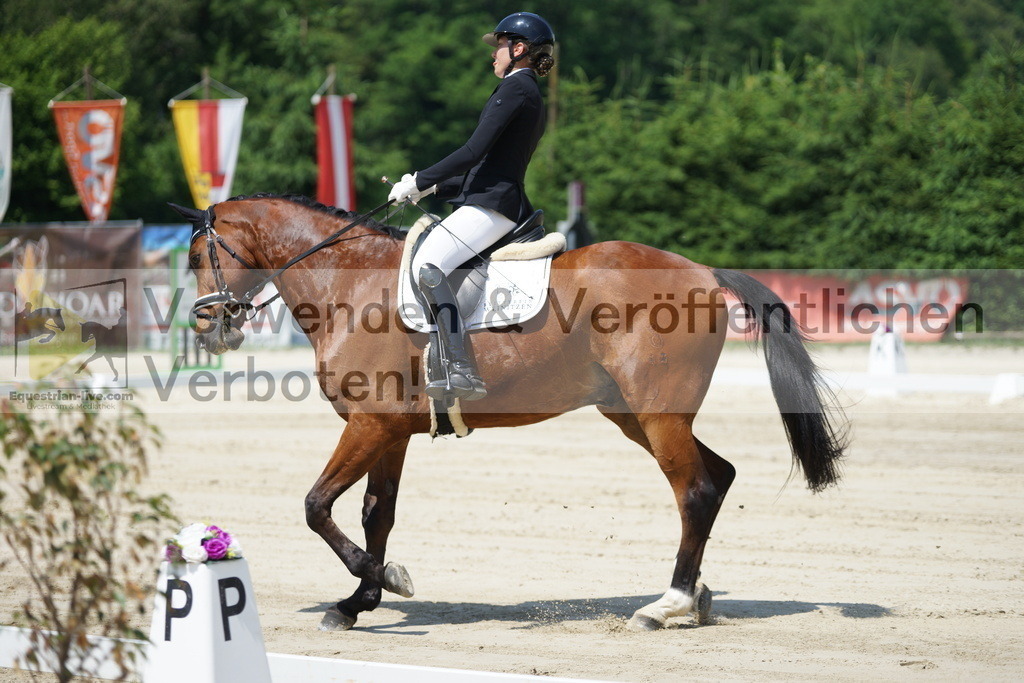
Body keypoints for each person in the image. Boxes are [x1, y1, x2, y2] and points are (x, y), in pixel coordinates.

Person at [389, 11, 556, 402]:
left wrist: (420, 179)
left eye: (498, 46)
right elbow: (485, 164)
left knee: (427, 266)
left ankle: (459, 366)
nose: (493, 54)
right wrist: (429, 189)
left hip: (495, 205)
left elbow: (472, 152)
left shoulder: (516, 90)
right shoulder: (521, 90)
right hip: (491, 198)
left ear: (518, 49)